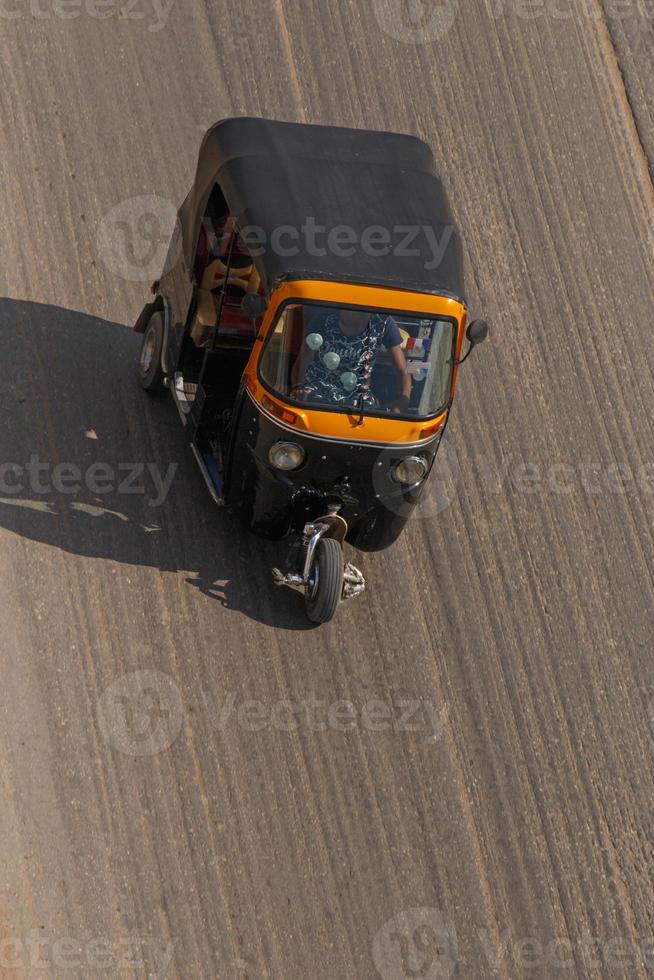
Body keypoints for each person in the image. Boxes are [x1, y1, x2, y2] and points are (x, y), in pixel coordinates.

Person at [291, 309, 412, 412]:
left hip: (358, 395)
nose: (365, 315)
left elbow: (402, 369)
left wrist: (403, 400)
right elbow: (303, 359)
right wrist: (299, 386)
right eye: (360, 311)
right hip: (316, 388)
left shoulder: (383, 321)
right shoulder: (324, 316)